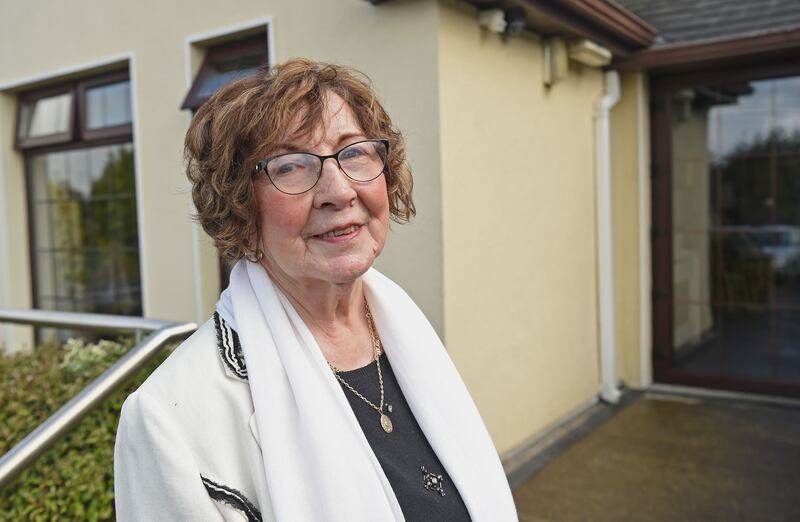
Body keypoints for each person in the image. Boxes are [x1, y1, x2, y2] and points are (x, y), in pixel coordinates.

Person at [114, 58, 517, 521]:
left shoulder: (409, 334)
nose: (339, 191)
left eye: (354, 153)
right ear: (239, 204)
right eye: (290, 166)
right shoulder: (169, 421)